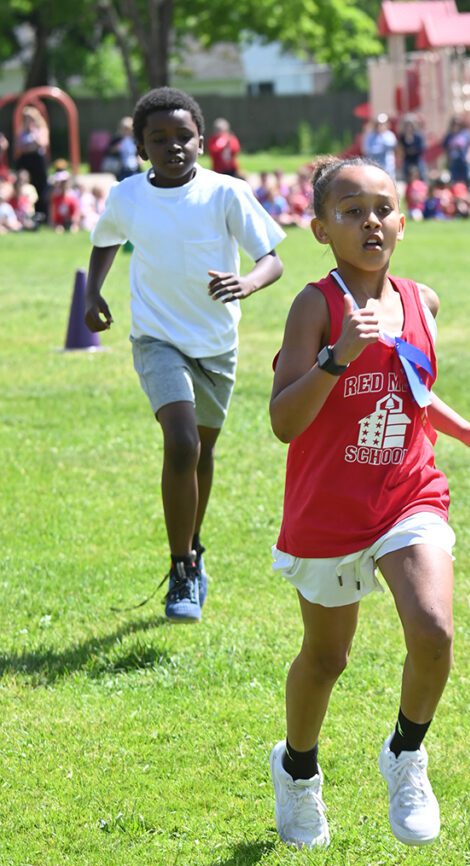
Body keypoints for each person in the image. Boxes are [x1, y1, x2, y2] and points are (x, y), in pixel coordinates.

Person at [268, 156, 470, 849]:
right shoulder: (314, 306)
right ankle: (296, 770)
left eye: (381, 208)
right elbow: (283, 423)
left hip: (407, 493)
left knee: (433, 630)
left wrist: (463, 428)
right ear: (320, 229)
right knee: (327, 659)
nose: (369, 222)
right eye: (350, 211)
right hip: (328, 506)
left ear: (402, 223)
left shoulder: (421, 301)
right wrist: (335, 358)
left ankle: (406, 753)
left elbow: (413, 386)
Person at [84, 87, 286, 623]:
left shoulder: (227, 193)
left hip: (217, 344)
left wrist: (246, 283)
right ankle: (180, 570)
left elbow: (272, 258)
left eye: (183, 137)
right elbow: (106, 239)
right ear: (142, 148)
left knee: (202, 453)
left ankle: (194, 549)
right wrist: (92, 292)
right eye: (159, 139)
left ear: (201, 140)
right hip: (157, 338)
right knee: (181, 440)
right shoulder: (128, 195)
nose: (173, 146)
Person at [13, 105, 50, 218]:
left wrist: (33, 135)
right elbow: (19, 146)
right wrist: (30, 146)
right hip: (25, 161)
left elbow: (42, 143)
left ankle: (42, 212)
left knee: (40, 186)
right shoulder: (22, 131)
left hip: (38, 162)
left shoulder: (41, 129)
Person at [101, 116, 142, 181]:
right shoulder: (116, 140)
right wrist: (115, 149)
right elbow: (107, 151)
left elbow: (141, 151)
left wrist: (140, 158)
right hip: (121, 169)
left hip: (135, 168)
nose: (126, 132)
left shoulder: (135, 140)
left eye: (128, 129)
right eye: (124, 129)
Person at [441, 116, 470, 187]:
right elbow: (445, 149)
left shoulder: (466, 134)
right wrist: (447, 160)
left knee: (468, 179)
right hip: (453, 162)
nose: (456, 126)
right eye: (454, 124)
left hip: (464, 161)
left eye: (457, 124)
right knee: (453, 181)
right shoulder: (449, 135)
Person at [361, 114, 398, 179]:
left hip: (388, 168)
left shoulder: (390, 135)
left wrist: (382, 137)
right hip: (373, 167)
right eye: (378, 124)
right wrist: (378, 150)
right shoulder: (370, 136)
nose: (380, 126)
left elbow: (391, 146)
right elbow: (366, 150)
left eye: (382, 124)